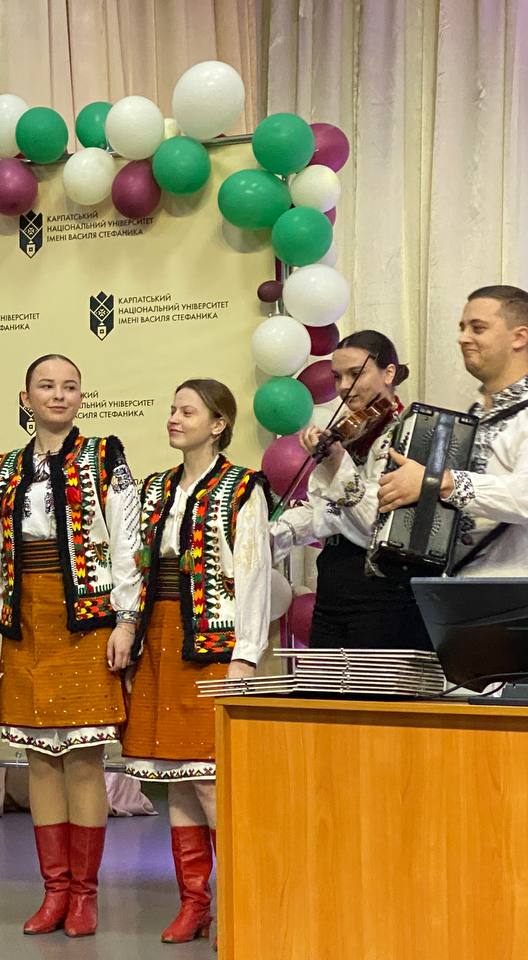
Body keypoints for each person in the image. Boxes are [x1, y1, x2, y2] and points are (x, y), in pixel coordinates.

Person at [0, 354, 141, 938]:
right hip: (27, 619)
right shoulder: (2, 469)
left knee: (84, 759)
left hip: (85, 619)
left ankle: (85, 894)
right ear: (26, 397)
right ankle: (53, 892)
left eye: (70, 386)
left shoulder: (104, 456)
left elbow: (127, 541)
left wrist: (126, 620)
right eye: (46, 386)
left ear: (81, 397)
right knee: (40, 760)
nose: (59, 395)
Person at [122, 379, 271, 944]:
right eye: (172, 408)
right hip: (161, 637)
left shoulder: (242, 488)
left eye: (187, 411)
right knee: (178, 779)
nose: (174, 417)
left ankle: (238, 901)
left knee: (210, 779)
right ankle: (194, 904)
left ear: (218, 424)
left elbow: (252, 573)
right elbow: (136, 566)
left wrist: (246, 656)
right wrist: (130, 630)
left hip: (211, 644)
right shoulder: (156, 487)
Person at [270, 331, 428, 648]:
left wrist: (338, 462)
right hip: (334, 586)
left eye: (356, 374)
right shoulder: (350, 432)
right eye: (337, 376)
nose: (343, 386)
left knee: (371, 682)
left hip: (383, 594)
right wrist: (275, 534)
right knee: (321, 680)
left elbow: (376, 525)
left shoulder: (410, 434)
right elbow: (325, 513)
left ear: (389, 373)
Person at [378, 285, 528, 575]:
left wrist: (439, 482)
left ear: (520, 337)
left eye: (478, 328)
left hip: (516, 592)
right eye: (462, 328)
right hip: (458, 587)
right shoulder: (473, 415)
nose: (463, 338)